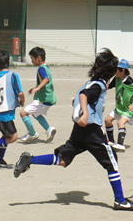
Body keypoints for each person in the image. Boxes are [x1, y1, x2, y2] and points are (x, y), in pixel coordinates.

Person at [13, 49, 133, 211]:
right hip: (92, 130)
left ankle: (30, 159)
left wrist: (81, 109)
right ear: (110, 72)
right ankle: (119, 200)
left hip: (79, 130)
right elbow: (83, 96)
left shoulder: (90, 82)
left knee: (63, 160)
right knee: (112, 163)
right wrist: (85, 113)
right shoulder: (97, 86)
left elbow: (77, 97)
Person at [19, 47, 56, 143]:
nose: (31, 61)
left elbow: (46, 79)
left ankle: (32, 134)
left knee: (23, 113)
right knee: (36, 114)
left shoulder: (41, 69)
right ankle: (49, 129)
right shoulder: (46, 67)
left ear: (38, 58)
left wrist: (37, 88)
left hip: (42, 100)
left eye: (32, 59)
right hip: (48, 99)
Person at [105, 58, 133, 152]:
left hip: (127, 110)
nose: (115, 71)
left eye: (116, 69)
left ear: (123, 70)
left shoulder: (130, 82)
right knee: (107, 120)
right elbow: (108, 87)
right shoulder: (117, 79)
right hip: (119, 108)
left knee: (120, 123)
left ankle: (120, 144)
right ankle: (111, 142)